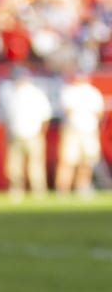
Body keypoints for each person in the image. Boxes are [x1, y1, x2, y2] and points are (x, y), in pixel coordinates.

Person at [1, 70, 53, 201]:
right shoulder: (11, 95)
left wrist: (40, 133)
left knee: (35, 165)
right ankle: (16, 189)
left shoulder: (36, 94)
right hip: (16, 135)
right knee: (14, 166)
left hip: (33, 134)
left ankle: (38, 190)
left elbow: (45, 116)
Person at [54, 71, 106, 199]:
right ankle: (63, 188)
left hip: (88, 130)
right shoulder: (69, 91)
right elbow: (67, 110)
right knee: (67, 160)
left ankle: (82, 186)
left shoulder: (93, 92)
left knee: (87, 161)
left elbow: (99, 113)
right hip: (72, 130)